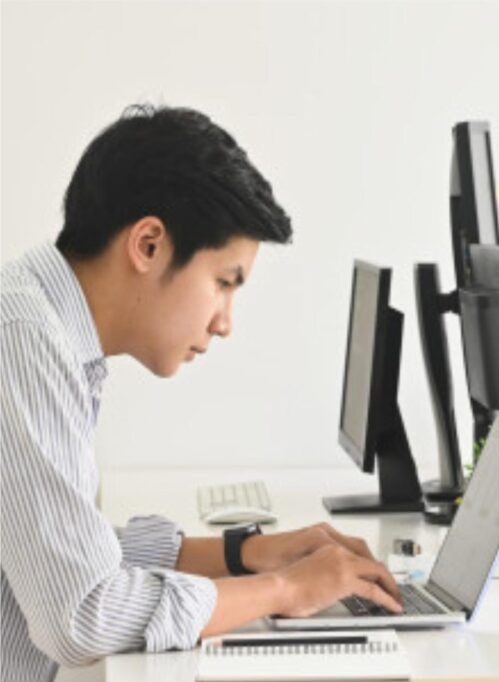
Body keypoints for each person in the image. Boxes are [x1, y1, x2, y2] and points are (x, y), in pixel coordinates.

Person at [1, 105, 404, 682]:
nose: (225, 323)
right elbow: (83, 612)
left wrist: (245, 554)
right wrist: (286, 589)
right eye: (223, 283)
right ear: (148, 245)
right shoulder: (22, 340)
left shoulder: (45, 332)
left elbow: (64, 555)